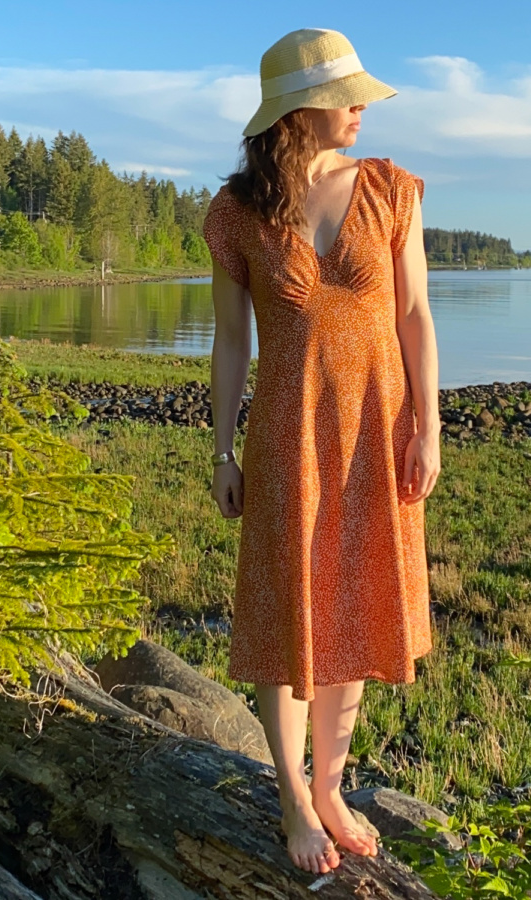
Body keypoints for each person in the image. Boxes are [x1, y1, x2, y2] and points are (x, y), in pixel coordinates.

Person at [203, 28, 441, 876]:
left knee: (358, 599)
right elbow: (233, 344)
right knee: (288, 608)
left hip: (378, 433)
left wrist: (428, 426)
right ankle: (293, 799)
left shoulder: (391, 191)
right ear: (296, 112)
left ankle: (334, 786)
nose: (361, 110)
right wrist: (223, 449)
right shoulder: (237, 213)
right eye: (345, 97)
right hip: (286, 436)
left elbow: (415, 317)